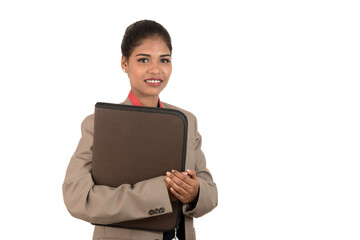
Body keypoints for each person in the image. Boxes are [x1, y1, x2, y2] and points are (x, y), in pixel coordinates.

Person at [62, 20, 218, 240]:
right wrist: (157, 193)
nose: (155, 69)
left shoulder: (187, 121)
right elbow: (77, 198)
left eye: (164, 60)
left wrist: (195, 193)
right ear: (125, 63)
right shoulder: (100, 124)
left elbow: (210, 191)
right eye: (143, 59)